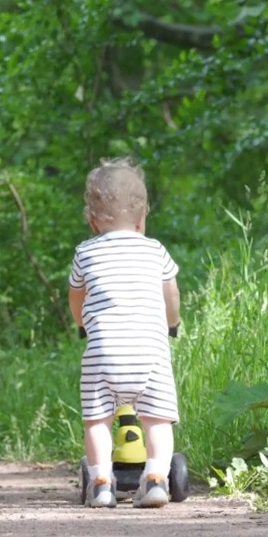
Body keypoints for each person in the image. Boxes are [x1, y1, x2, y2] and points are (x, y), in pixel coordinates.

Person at [68, 157, 182, 508]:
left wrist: (82, 324)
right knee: (158, 421)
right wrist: (172, 323)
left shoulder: (85, 253)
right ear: (142, 217)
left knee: (98, 421)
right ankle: (156, 478)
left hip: (103, 354)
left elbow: (76, 297)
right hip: (150, 353)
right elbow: (171, 296)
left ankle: (101, 482)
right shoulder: (155, 250)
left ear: (92, 221)